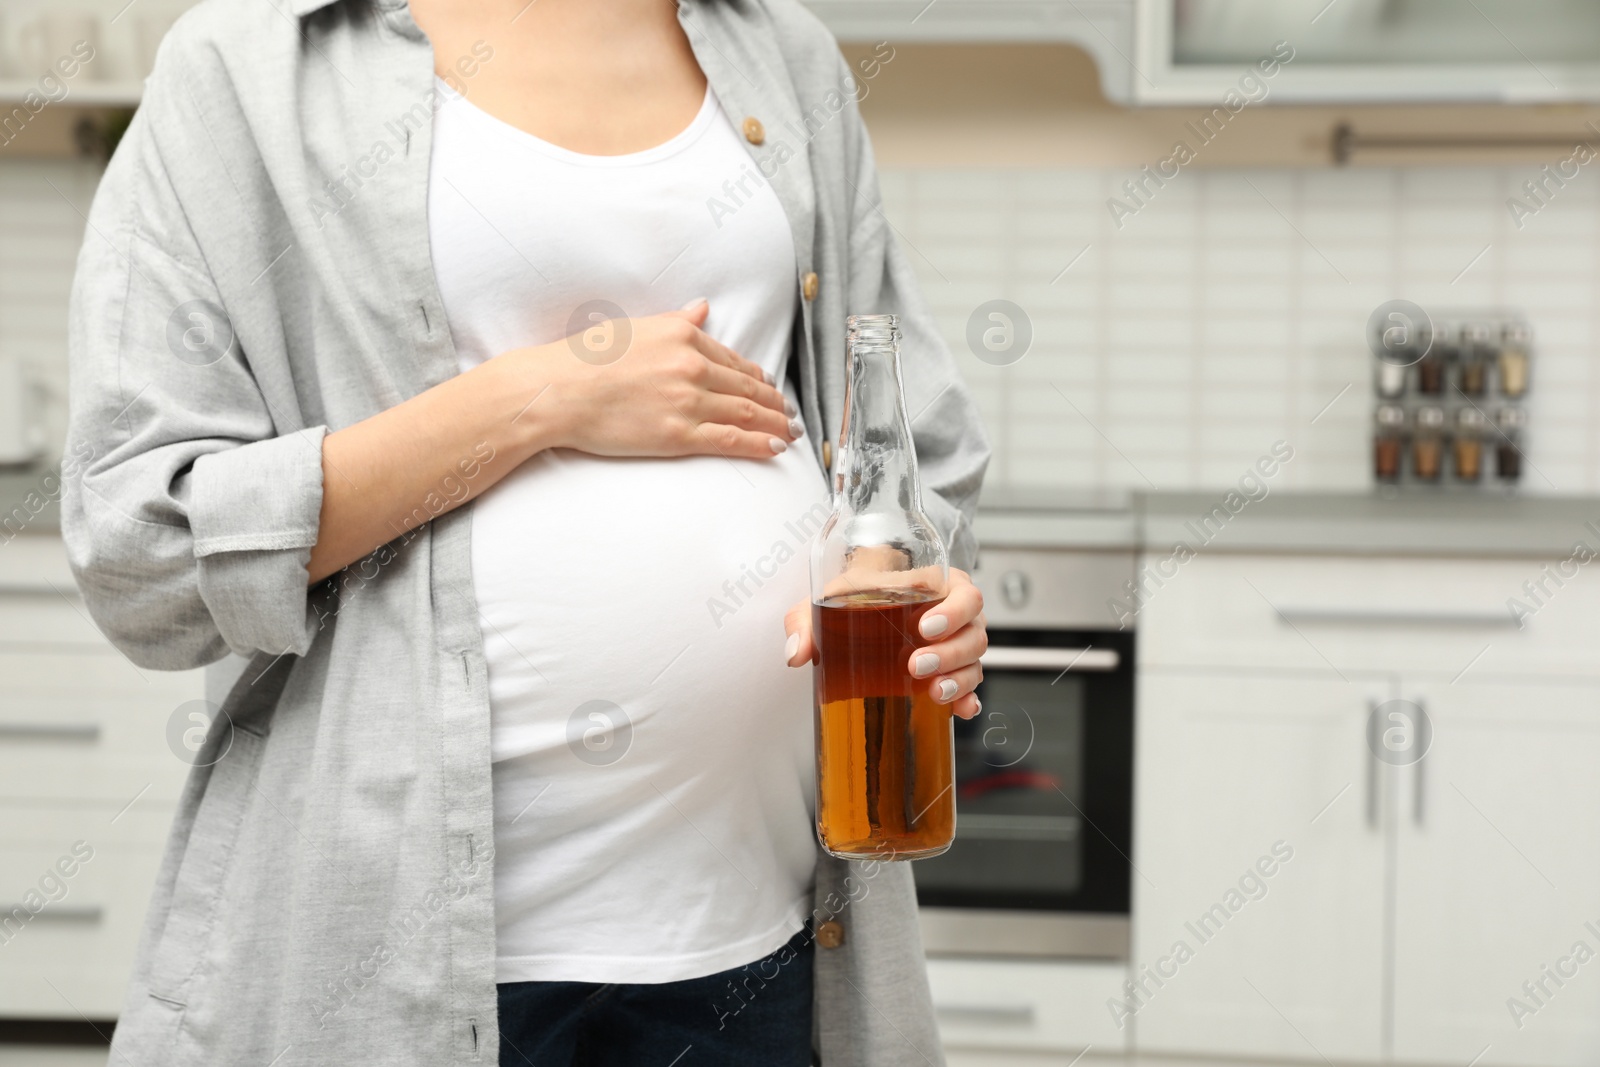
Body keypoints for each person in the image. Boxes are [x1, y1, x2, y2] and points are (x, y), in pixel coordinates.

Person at [62, 0, 990, 1063]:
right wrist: (544, 395)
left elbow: (909, 426)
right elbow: (141, 544)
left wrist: (889, 572)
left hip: (769, 934)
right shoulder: (247, 66)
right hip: (407, 970)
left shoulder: (781, 51)